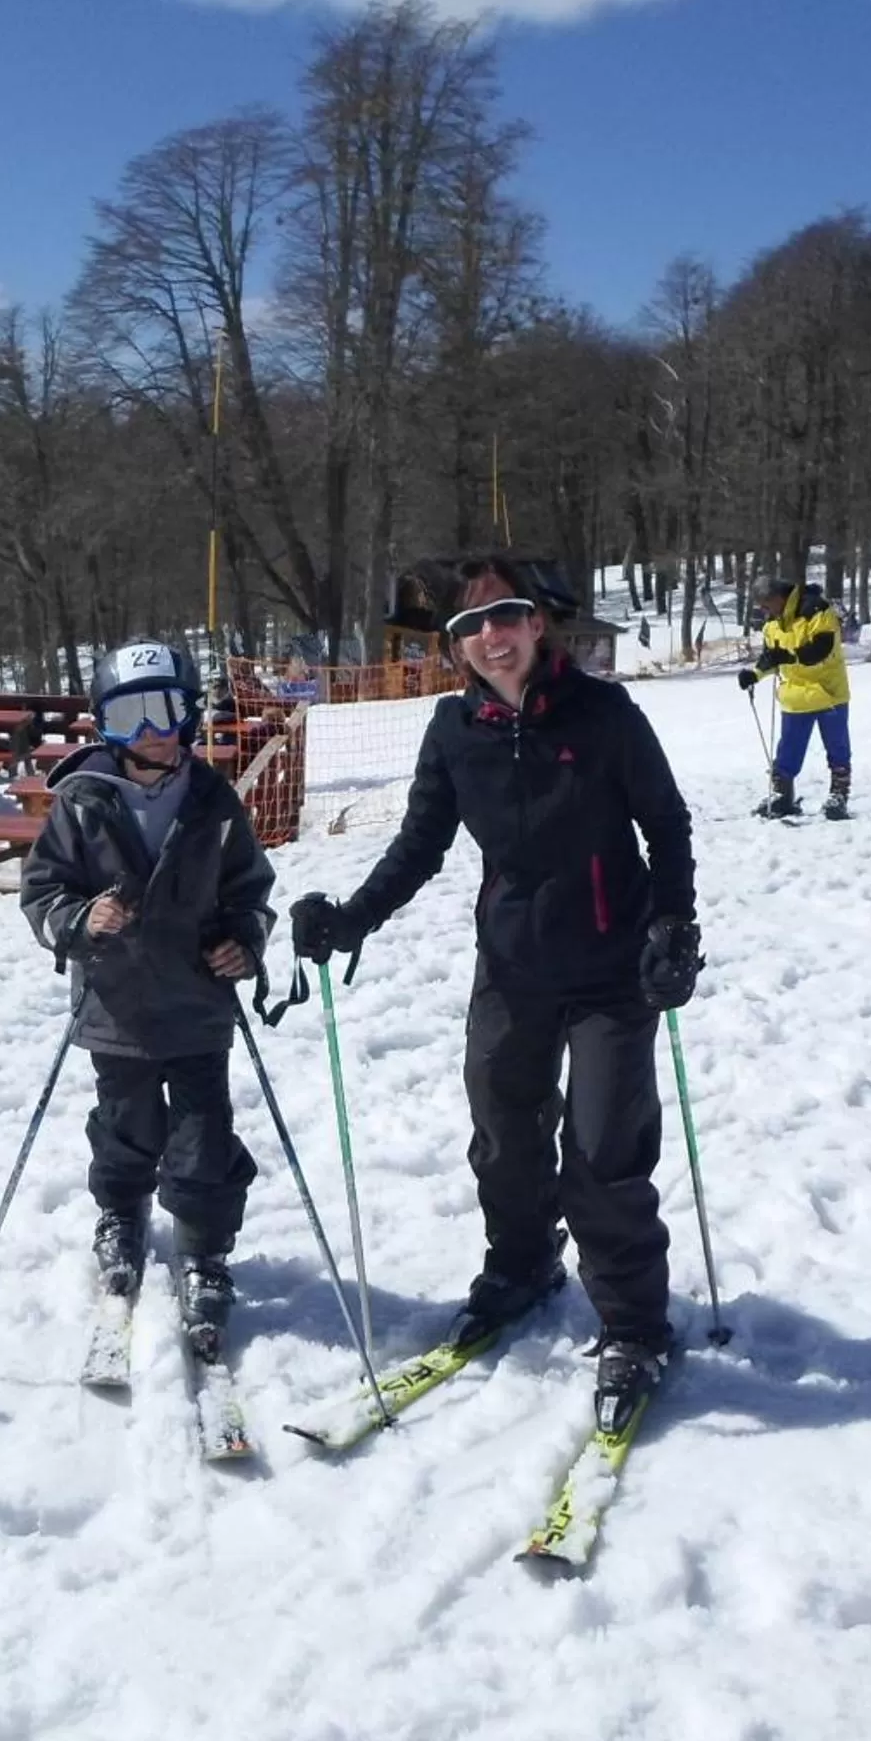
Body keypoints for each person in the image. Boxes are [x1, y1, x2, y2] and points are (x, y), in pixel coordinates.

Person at [288, 555, 699, 1429]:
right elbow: (421, 843)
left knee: (603, 1148)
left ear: (537, 623)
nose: (491, 637)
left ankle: (633, 1325)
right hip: (512, 968)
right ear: (456, 647)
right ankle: (521, 1264)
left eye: (505, 616)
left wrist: (674, 926)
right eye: (470, 627)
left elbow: (665, 824)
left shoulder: (604, 715)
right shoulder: (454, 729)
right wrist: (353, 918)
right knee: (504, 1130)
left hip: (611, 969)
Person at [20, 641, 276, 1361]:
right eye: (129, 714)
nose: (150, 731)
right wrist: (79, 921)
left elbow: (249, 890)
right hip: (117, 1004)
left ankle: (204, 1246)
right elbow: (43, 890)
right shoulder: (81, 804)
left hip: (196, 1004)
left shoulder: (213, 802)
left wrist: (243, 940)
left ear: (189, 714)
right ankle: (121, 1213)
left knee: (203, 1135)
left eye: (164, 710)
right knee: (125, 1123)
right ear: (104, 724)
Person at [739, 576, 851, 819]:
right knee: (789, 748)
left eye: (766, 605)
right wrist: (754, 674)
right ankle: (782, 794)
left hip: (829, 692)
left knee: (837, 746)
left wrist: (788, 655)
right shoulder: (772, 623)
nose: (764, 611)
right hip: (795, 695)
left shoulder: (817, 609)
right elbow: (771, 657)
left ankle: (838, 795)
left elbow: (821, 650)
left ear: (778, 598)